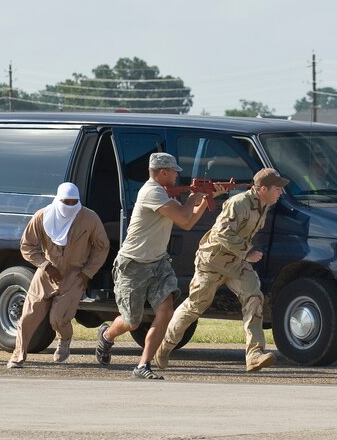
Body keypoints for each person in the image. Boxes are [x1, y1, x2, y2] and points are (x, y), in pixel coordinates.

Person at [95, 152, 224, 379]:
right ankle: (107, 335)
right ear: (163, 172)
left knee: (166, 311)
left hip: (158, 263)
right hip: (133, 265)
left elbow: (188, 221)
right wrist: (194, 198)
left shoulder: (166, 195)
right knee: (132, 322)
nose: (177, 175)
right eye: (174, 171)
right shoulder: (152, 192)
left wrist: (205, 199)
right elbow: (184, 217)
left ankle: (143, 365)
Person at [154, 167, 290, 373]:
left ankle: (254, 354)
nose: (280, 192)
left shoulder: (264, 205)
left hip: (235, 262)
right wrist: (247, 252)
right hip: (212, 261)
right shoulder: (239, 203)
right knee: (195, 306)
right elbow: (221, 233)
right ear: (263, 189)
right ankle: (163, 347)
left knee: (254, 296)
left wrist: (243, 254)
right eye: (277, 189)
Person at [7, 182, 109, 369]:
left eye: (74, 202)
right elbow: (27, 245)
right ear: (57, 200)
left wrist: (87, 273)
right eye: (65, 202)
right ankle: (18, 355)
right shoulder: (42, 216)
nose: (70, 206)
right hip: (46, 273)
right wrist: (45, 265)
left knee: (58, 317)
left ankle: (64, 338)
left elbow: (102, 247)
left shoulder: (89, 218)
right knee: (29, 315)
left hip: (75, 274)